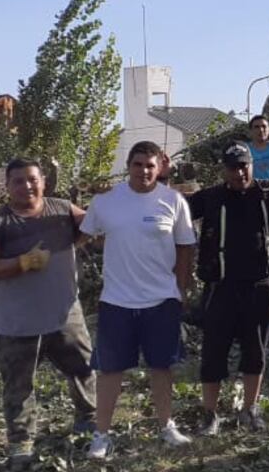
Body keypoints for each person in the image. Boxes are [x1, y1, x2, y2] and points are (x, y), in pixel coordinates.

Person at [0, 158, 96, 470]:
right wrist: (21, 263)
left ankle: (88, 421)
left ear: (43, 180)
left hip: (64, 315)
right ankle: (21, 444)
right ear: (7, 186)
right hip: (18, 323)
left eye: (31, 179)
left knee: (83, 370)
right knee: (19, 386)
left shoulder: (62, 210)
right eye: (18, 181)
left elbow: (94, 227)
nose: (26, 186)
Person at [80, 141, 196, 459]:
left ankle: (166, 426)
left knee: (162, 367)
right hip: (117, 300)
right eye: (138, 164)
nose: (144, 170)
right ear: (128, 165)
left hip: (162, 300)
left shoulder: (173, 201)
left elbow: (186, 247)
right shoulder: (106, 202)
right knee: (110, 371)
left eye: (150, 165)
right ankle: (101, 435)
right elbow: (81, 236)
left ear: (160, 167)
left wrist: (182, 289)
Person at [187, 141, 269, 435]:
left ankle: (249, 410)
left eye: (244, 165)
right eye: (233, 167)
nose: (240, 172)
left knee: (255, 351)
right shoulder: (210, 197)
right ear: (224, 169)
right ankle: (210, 415)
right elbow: (173, 209)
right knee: (213, 352)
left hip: (260, 286)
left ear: (252, 165)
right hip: (221, 286)